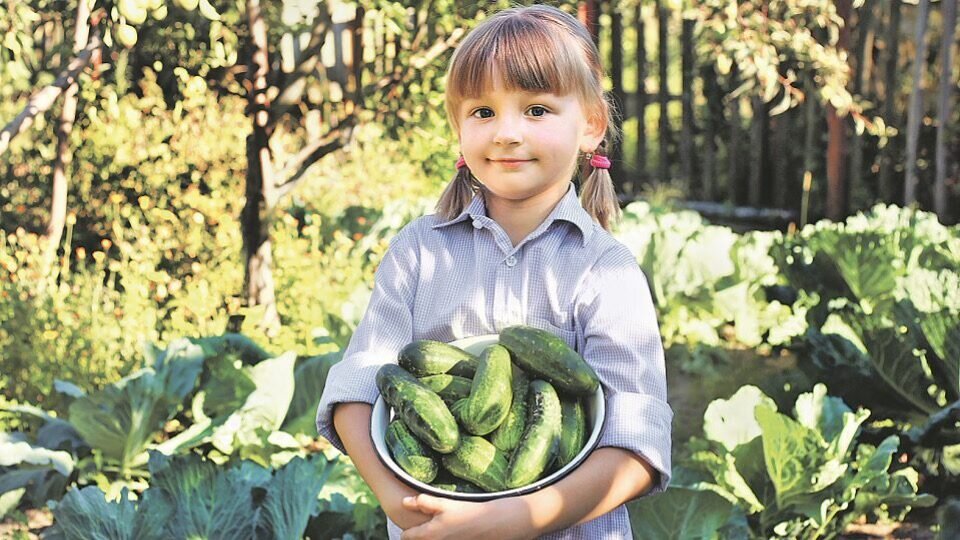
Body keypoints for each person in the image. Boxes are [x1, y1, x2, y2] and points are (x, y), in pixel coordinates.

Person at [316, 5, 671, 539]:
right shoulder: (418, 251)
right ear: (458, 128)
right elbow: (359, 384)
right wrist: (399, 501)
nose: (506, 133)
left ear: (591, 125)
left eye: (536, 109)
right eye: (483, 111)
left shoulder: (606, 272)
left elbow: (636, 445)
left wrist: (515, 520)